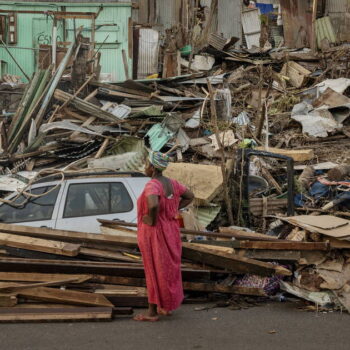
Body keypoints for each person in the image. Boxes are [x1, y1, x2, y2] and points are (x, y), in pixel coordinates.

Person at [134, 151, 194, 322]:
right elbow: (190, 196)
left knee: (153, 269)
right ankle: (165, 306)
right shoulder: (173, 184)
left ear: (153, 168)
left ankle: (152, 312)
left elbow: (152, 204)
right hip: (171, 230)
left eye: (147, 164)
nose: (145, 168)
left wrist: (151, 218)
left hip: (154, 232)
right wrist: (173, 209)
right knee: (168, 269)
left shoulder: (152, 185)